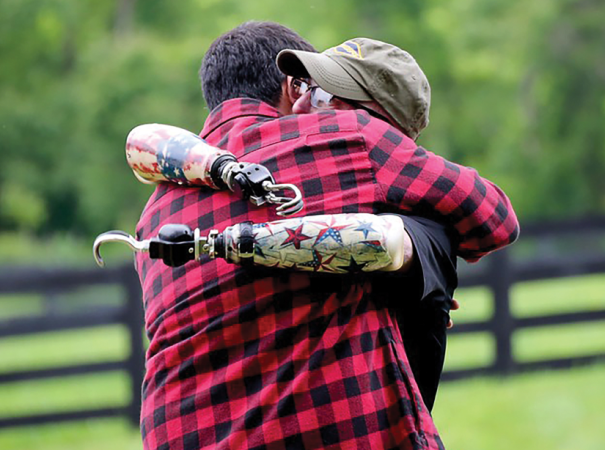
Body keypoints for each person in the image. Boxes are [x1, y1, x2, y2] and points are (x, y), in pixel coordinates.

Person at [135, 21, 519, 449]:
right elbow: (495, 218)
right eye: (311, 90)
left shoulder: (153, 212)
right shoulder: (347, 138)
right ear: (290, 87)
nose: (307, 106)